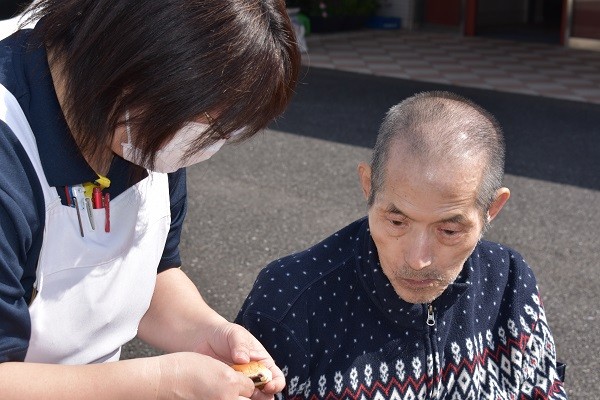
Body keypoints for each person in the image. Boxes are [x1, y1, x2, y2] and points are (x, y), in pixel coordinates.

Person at [0, 0, 300, 398]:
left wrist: (208, 332)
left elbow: (154, 272)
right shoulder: (10, 152)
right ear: (135, 67)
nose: (203, 148)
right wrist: (159, 383)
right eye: (204, 126)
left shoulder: (140, 126)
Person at [236, 91, 568, 399]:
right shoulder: (289, 299)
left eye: (449, 231)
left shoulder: (508, 279)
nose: (418, 259)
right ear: (369, 186)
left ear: (492, 209)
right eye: (397, 222)